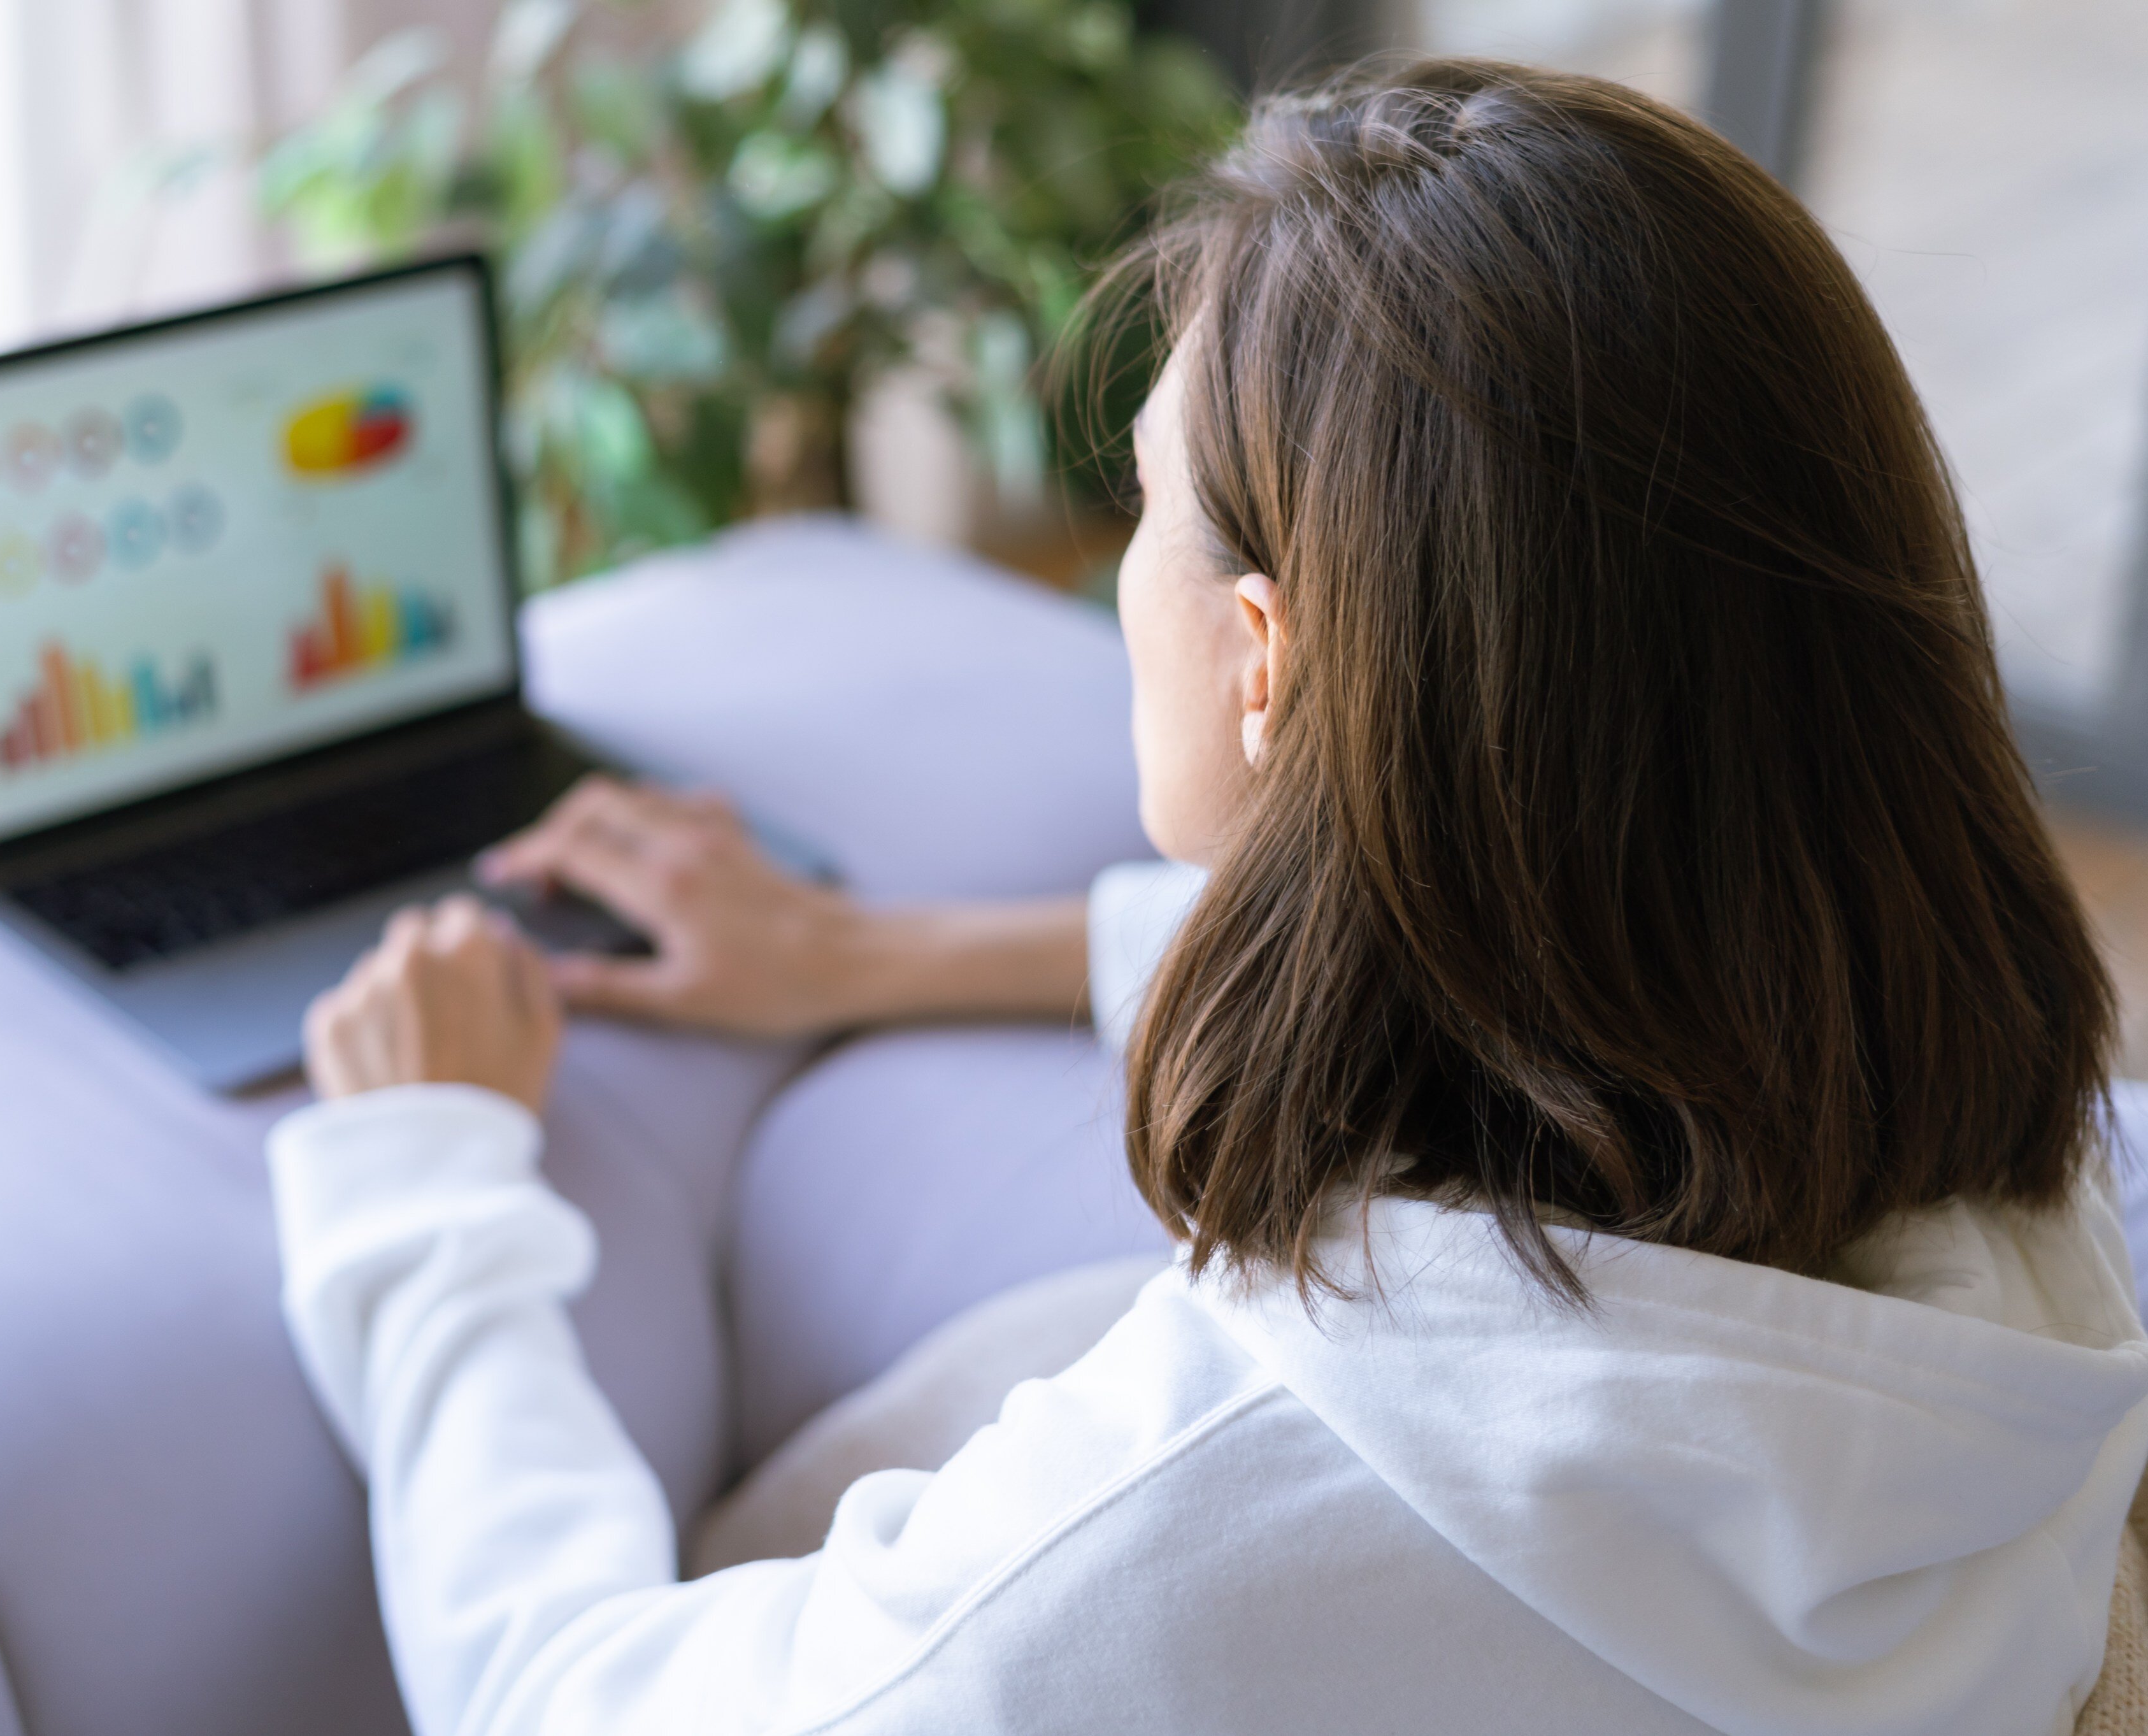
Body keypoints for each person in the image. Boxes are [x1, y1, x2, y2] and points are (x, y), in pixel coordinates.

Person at [268, 59, 2148, 1735]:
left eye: (1143, 496)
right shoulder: (2029, 1175)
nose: (1114, 569)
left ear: (1266, 652)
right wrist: (868, 956)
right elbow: (1548, 895)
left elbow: (557, 1697)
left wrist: (431, 1194)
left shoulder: (1146, 1558)